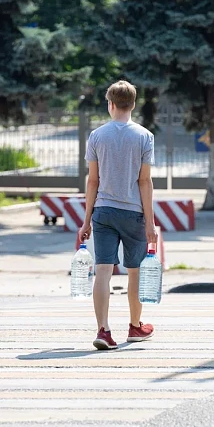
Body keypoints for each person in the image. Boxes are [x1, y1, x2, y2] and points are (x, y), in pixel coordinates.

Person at [78, 80, 158, 350]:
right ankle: (135, 327)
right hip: (133, 213)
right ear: (132, 104)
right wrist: (151, 222)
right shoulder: (145, 136)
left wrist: (86, 220)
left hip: (103, 212)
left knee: (103, 271)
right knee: (133, 272)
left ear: (110, 104)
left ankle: (103, 330)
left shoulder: (97, 136)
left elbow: (92, 181)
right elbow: (144, 182)